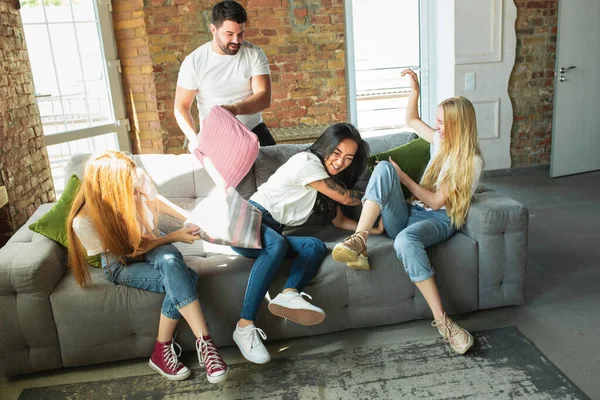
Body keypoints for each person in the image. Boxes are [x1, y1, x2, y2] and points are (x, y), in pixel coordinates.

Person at [332, 69, 484, 355]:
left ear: (458, 125)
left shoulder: (470, 162)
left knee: (404, 240)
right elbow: (412, 120)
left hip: (439, 220)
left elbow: (438, 202)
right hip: (409, 212)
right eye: (437, 121)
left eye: (442, 123)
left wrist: (404, 178)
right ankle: (359, 240)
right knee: (384, 168)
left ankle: (444, 323)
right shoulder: (441, 141)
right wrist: (415, 90)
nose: (437, 127)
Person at [66, 151, 228, 384]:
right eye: (130, 190)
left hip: (151, 240)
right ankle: (165, 350)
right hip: (121, 261)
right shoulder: (84, 221)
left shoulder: (134, 176)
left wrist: (190, 217)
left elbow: (154, 201)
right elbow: (131, 250)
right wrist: (172, 237)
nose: (137, 191)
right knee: (185, 275)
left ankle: (203, 345)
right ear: (109, 190)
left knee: (171, 263)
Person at [231, 123, 383, 364]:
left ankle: (289, 293)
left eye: (348, 158)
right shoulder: (307, 163)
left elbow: (340, 220)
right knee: (277, 246)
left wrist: (372, 228)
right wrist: (377, 193)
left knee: (314, 246)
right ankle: (244, 326)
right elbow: (344, 197)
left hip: (272, 233)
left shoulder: (324, 180)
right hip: (248, 223)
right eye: (336, 153)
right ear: (326, 147)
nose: (340, 162)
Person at [175, 0, 275, 151]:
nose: (236, 40)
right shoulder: (193, 62)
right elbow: (181, 106)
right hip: (216, 138)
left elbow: (264, 97)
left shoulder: (254, 54)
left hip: (254, 131)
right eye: (229, 34)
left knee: (281, 169)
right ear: (213, 29)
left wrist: (234, 109)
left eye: (241, 34)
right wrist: (194, 140)